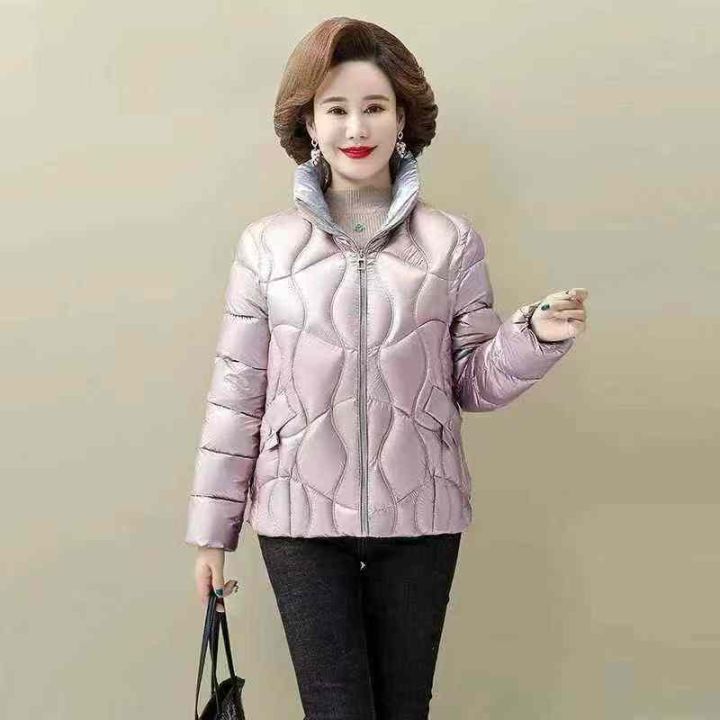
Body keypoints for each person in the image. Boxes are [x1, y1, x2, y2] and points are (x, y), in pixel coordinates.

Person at [185, 16, 588, 720]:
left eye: (374, 106)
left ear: (402, 118)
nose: (355, 127)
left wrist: (534, 336)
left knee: (404, 709)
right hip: (300, 521)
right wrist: (212, 535)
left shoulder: (451, 242)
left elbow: (473, 380)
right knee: (336, 709)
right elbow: (236, 394)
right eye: (335, 109)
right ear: (308, 123)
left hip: (421, 515)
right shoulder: (265, 248)